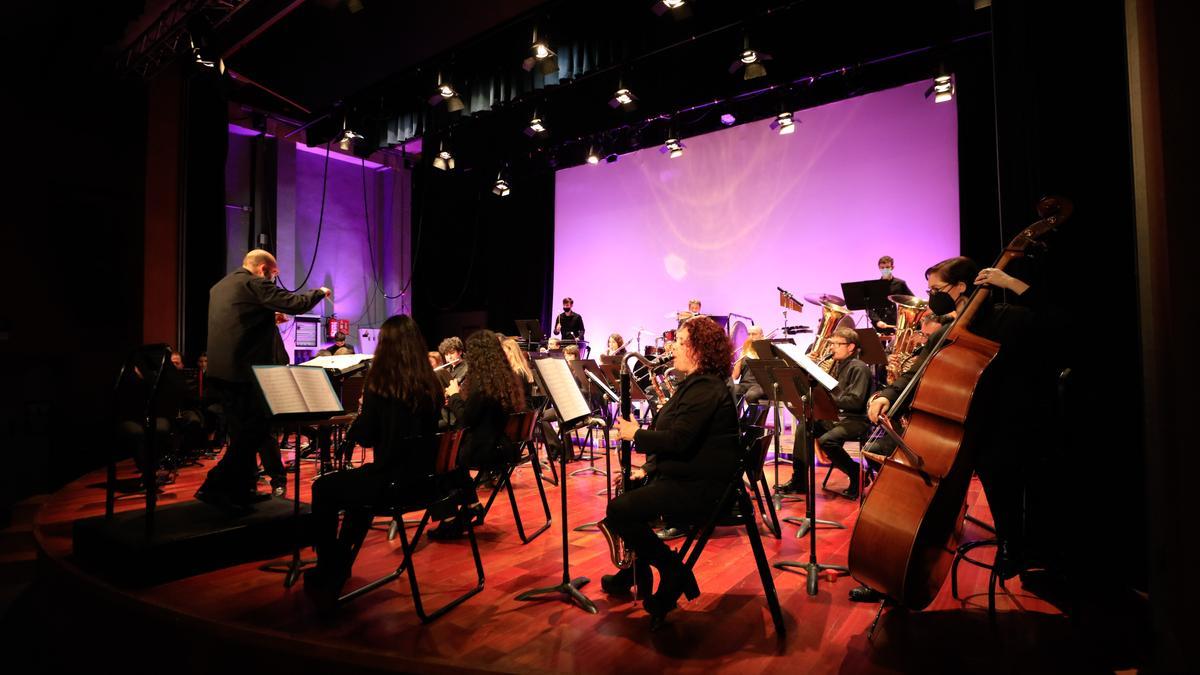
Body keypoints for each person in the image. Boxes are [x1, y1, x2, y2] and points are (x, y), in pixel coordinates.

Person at [851, 256, 1057, 601]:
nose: (931, 296)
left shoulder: (1008, 318)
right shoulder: (950, 329)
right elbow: (916, 370)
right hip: (949, 429)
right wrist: (887, 394)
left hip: (998, 428)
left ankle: (1015, 545)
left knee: (1001, 479)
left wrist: (1012, 285)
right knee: (915, 498)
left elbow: (1052, 321)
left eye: (936, 289)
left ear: (961, 287)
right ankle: (895, 568)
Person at [599, 316, 739, 629]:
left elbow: (678, 440)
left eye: (680, 342)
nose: (672, 347)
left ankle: (672, 569)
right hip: (688, 476)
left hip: (702, 489)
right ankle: (635, 572)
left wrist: (635, 434)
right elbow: (682, 438)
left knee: (619, 509)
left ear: (699, 350)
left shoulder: (706, 388)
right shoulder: (695, 384)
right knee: (630, 491)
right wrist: (647, 468)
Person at [303, 314, 443, 612]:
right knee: (358, 494)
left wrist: (362, 415)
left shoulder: (382, 386)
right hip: (425, 482)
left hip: (392, 484)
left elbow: (366, 439)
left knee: (324, 488)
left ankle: (329, 566)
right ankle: (340, 562)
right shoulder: (432, 385)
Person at [196, 249, 330, 509]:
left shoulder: (220, 286)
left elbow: (239, 322)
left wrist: (268, 317)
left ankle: (241, 490)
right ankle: (213, 485)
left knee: (241, 433)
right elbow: (295, 303)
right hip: (244, 374)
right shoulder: (254, 282)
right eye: (273, 274)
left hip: (221, 373)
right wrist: (320, 292)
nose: (272, 279)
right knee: (254, 432)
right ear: (263, 269)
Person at [431, 330, 527, 538]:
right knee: (450, 455)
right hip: (502, 446)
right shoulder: (504, 379)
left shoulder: (482, 386)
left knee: (440, 458)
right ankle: (472, 505)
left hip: (485, 450)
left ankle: (449, 519)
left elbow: (465, 420)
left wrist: (454, 395)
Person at [789, 327, 872, 499]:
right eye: (831, 343)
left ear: (851, 347)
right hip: (837, 417)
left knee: (827, 440)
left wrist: (826, 398)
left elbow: (855, 402)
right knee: (804, 426)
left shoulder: (859, 368)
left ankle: (857, 473)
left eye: (836, 344)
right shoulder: (838, 365)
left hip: (856, 419)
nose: (831, 347)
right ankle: (799, 480)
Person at [867, 255, 915, 331]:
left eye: (887, 267)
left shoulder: (900, 283)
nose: (885, 270)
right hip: (879, 324)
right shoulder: (875, 286)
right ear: (879, 268)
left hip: (895, 323)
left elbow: (912, 300)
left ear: (892, 267)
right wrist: (877, 321)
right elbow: (869, 306)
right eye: (882, 268)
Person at [731, 325, 765, 404]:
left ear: (762, 336)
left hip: (759, 385)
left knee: (751, 395)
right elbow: (735, 376)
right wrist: (741, 354)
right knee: (730, 390)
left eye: (754, 334)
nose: (751, 337)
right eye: (749, 334)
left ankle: (755, 412)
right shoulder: (744, 351)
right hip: (744, 384)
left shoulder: (765, 350)